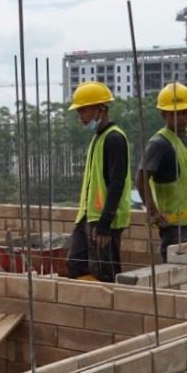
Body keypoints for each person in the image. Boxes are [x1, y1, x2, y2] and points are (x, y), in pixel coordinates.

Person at [135, 82, 187, 262]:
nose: (182, 118)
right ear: (163, 114)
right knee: (178, 274)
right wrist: (153, 212)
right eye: (175, 114)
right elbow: (140, 179)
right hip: (177, 226)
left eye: (185, 112)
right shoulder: (159, 144)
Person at [66, 81, 131, 281]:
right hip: (88, 215)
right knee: (75, 263)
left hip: (104, 219)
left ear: (100, 109)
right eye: (79, 112)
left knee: (104, 270)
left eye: (84, 111)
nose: (81, 117)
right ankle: (92, 303)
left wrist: (105, 223)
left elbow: (116, 183)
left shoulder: (114, 139)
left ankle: (111, 306)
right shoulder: (98, 138)